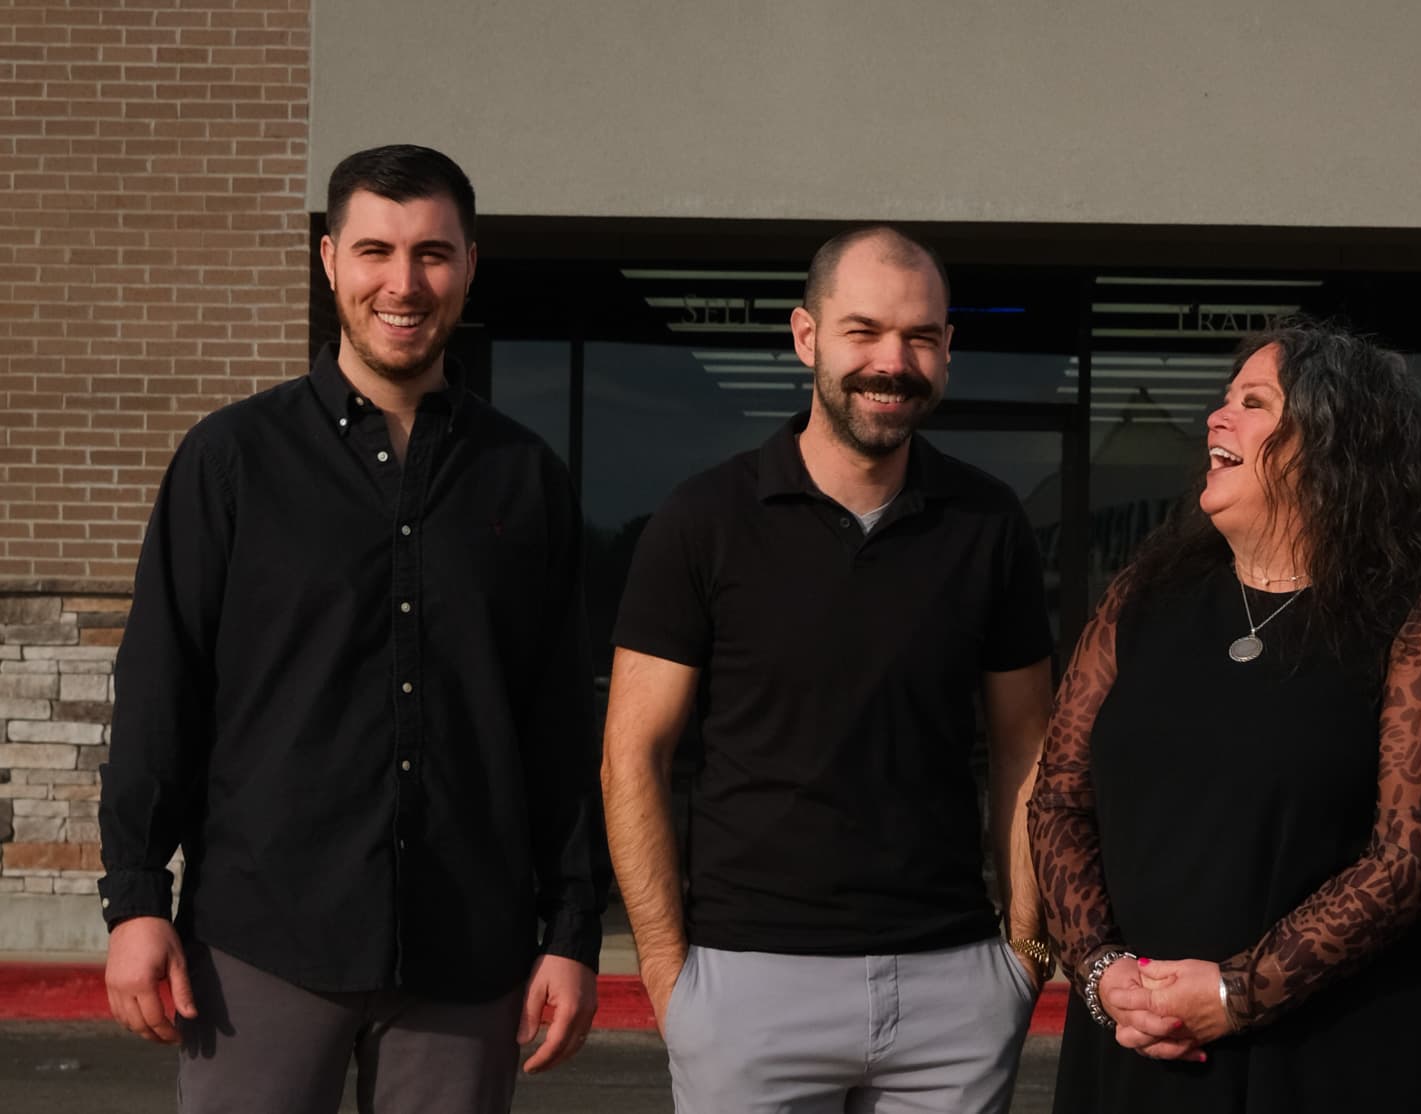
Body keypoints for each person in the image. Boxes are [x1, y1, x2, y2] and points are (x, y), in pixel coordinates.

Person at [98, 144, 610, 1113]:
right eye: (375, 250)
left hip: (469, 950)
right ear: (330, 261)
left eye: (432, 253)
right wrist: (134, 899)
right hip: (263, 938)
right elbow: (162, 686)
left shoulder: (527, 480)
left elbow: (555, 727)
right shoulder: (231, 461)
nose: (403, 283)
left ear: (468, 263)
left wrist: (572, 926)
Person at [601, 225, 1056, 1113]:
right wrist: (665, 969)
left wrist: (1024, 953)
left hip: (950, 985)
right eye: (865, 331)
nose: (893, 361)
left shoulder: (987, 522)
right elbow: (632, 754)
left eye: (921, 337)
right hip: (750, 984)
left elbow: (1027, 747)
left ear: (947, 350)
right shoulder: (704, 520)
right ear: (807, 337)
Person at [1030, 318, 1421, 1113]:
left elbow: (1411, 859)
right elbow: (1058, 797)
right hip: (1140, 1047)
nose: (1217, 419)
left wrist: (1236, 992)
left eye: (1253, 402)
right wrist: (1101, 972)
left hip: (1339, 1059)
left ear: (1331, 443)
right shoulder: (1142, 600)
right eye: (1224, 401)